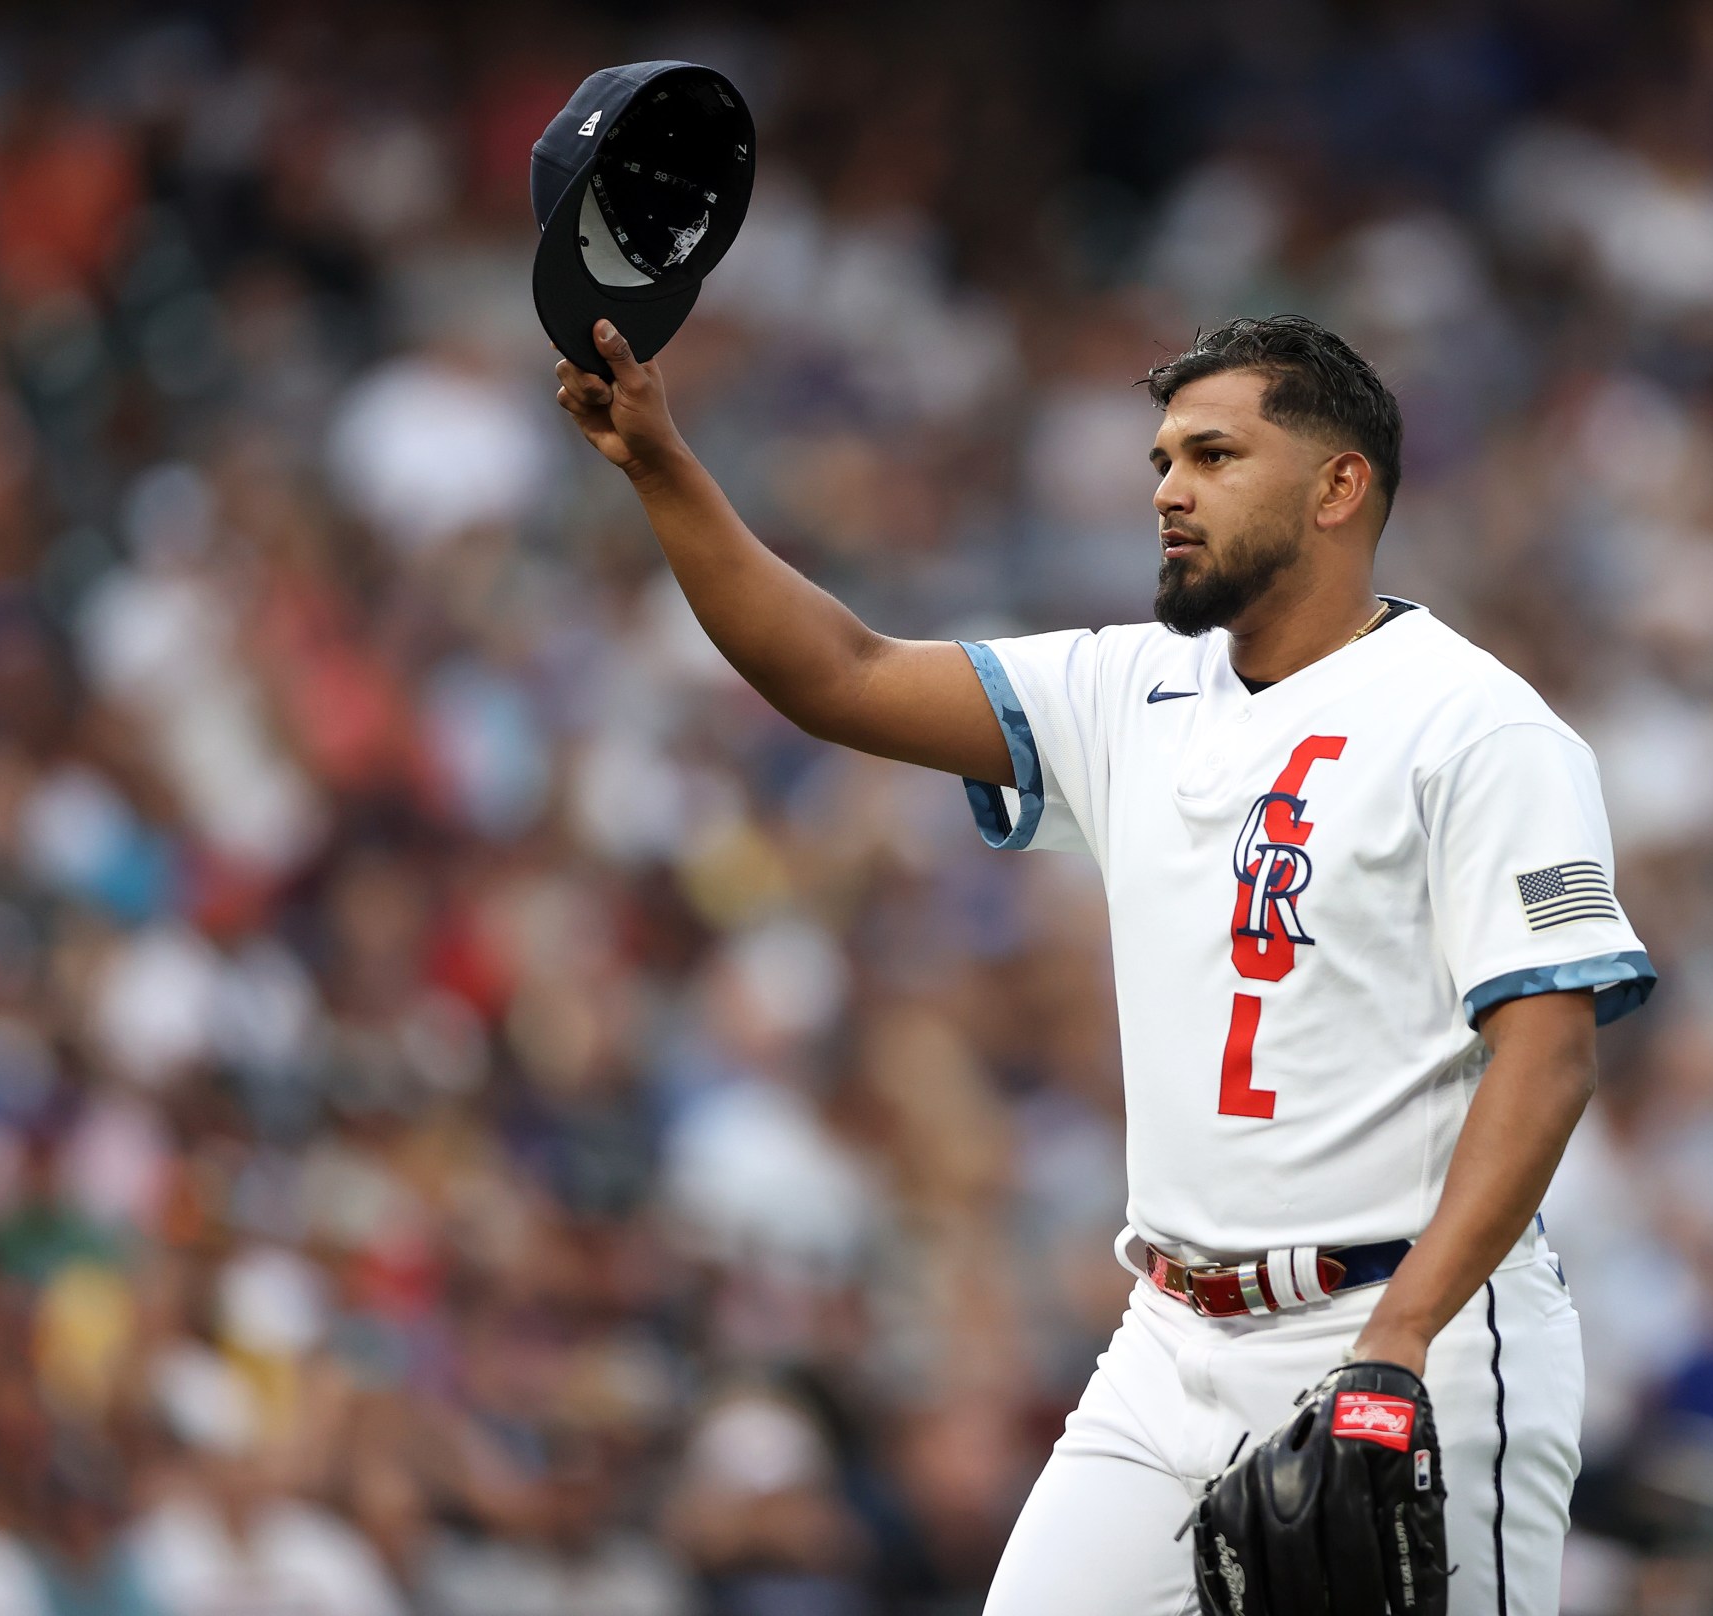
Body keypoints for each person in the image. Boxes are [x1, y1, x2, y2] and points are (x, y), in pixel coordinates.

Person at [554, 311, 1656, 1614]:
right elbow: (838, 673)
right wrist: (660, 465)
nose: (1169, 491)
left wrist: (1400, 1338)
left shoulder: (1477, 727)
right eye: (1160, 461)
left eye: (1213, 455)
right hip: (1170, 1337)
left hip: (1410, 1324)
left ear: (1338, 486)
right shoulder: (1132, 688)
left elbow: (1551, 1055)